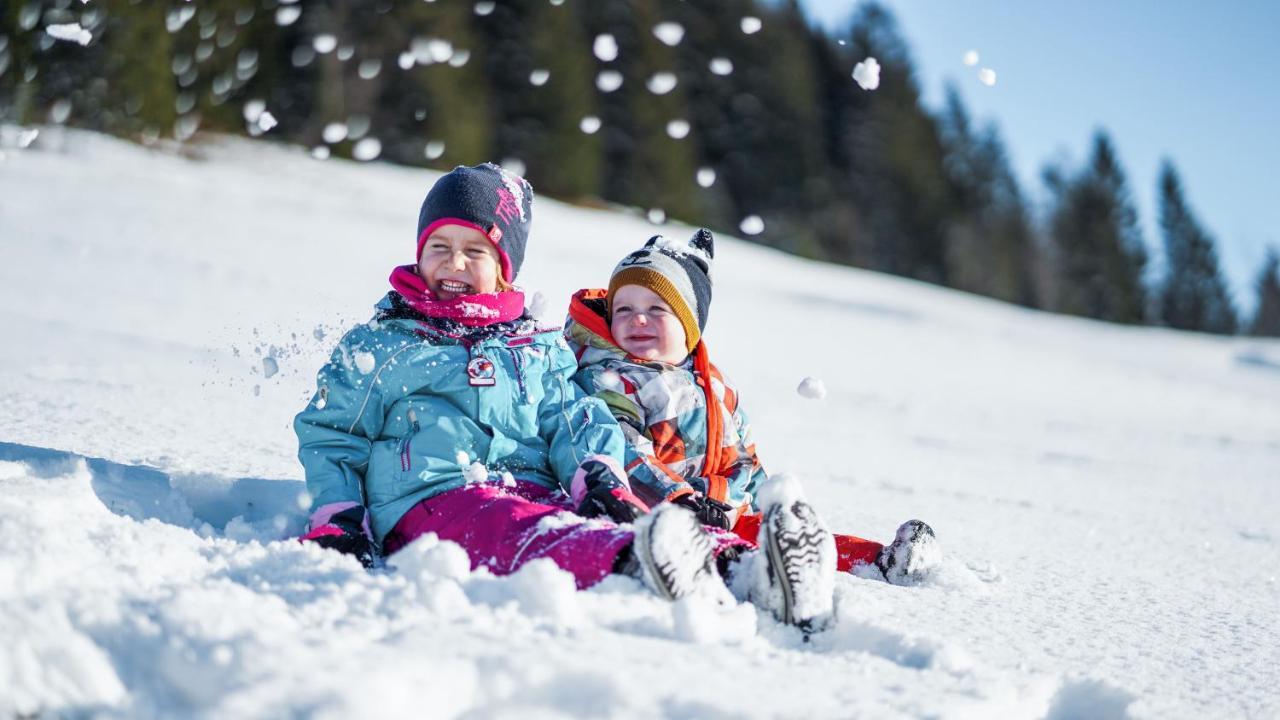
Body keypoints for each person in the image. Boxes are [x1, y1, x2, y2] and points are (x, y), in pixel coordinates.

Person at [293, 165, 824, 627]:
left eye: (474, 251)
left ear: (504, 267)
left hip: (534, 485)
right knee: (528, 530)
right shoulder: (383, 343)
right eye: (439, 248)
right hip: (432, 496)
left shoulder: (536, 345)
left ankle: (750, 569)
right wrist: (338, 519)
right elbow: (334, 437)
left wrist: (599, 476)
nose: (454, 264)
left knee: (589, 513)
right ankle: (640, 560)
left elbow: (574, 416)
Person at [565, 229, 942, 589]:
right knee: (737, 549)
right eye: (624, 308)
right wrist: (682, 500)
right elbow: (623, 451)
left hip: (720, 508)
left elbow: (743, 455)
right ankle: (758, 579)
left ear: (690, 324)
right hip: (657, 513)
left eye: (656, 308)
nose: (637, 318)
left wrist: (753, 500)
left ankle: (878, 561)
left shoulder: (714, 384)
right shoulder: (611, 378)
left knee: (784, 534)